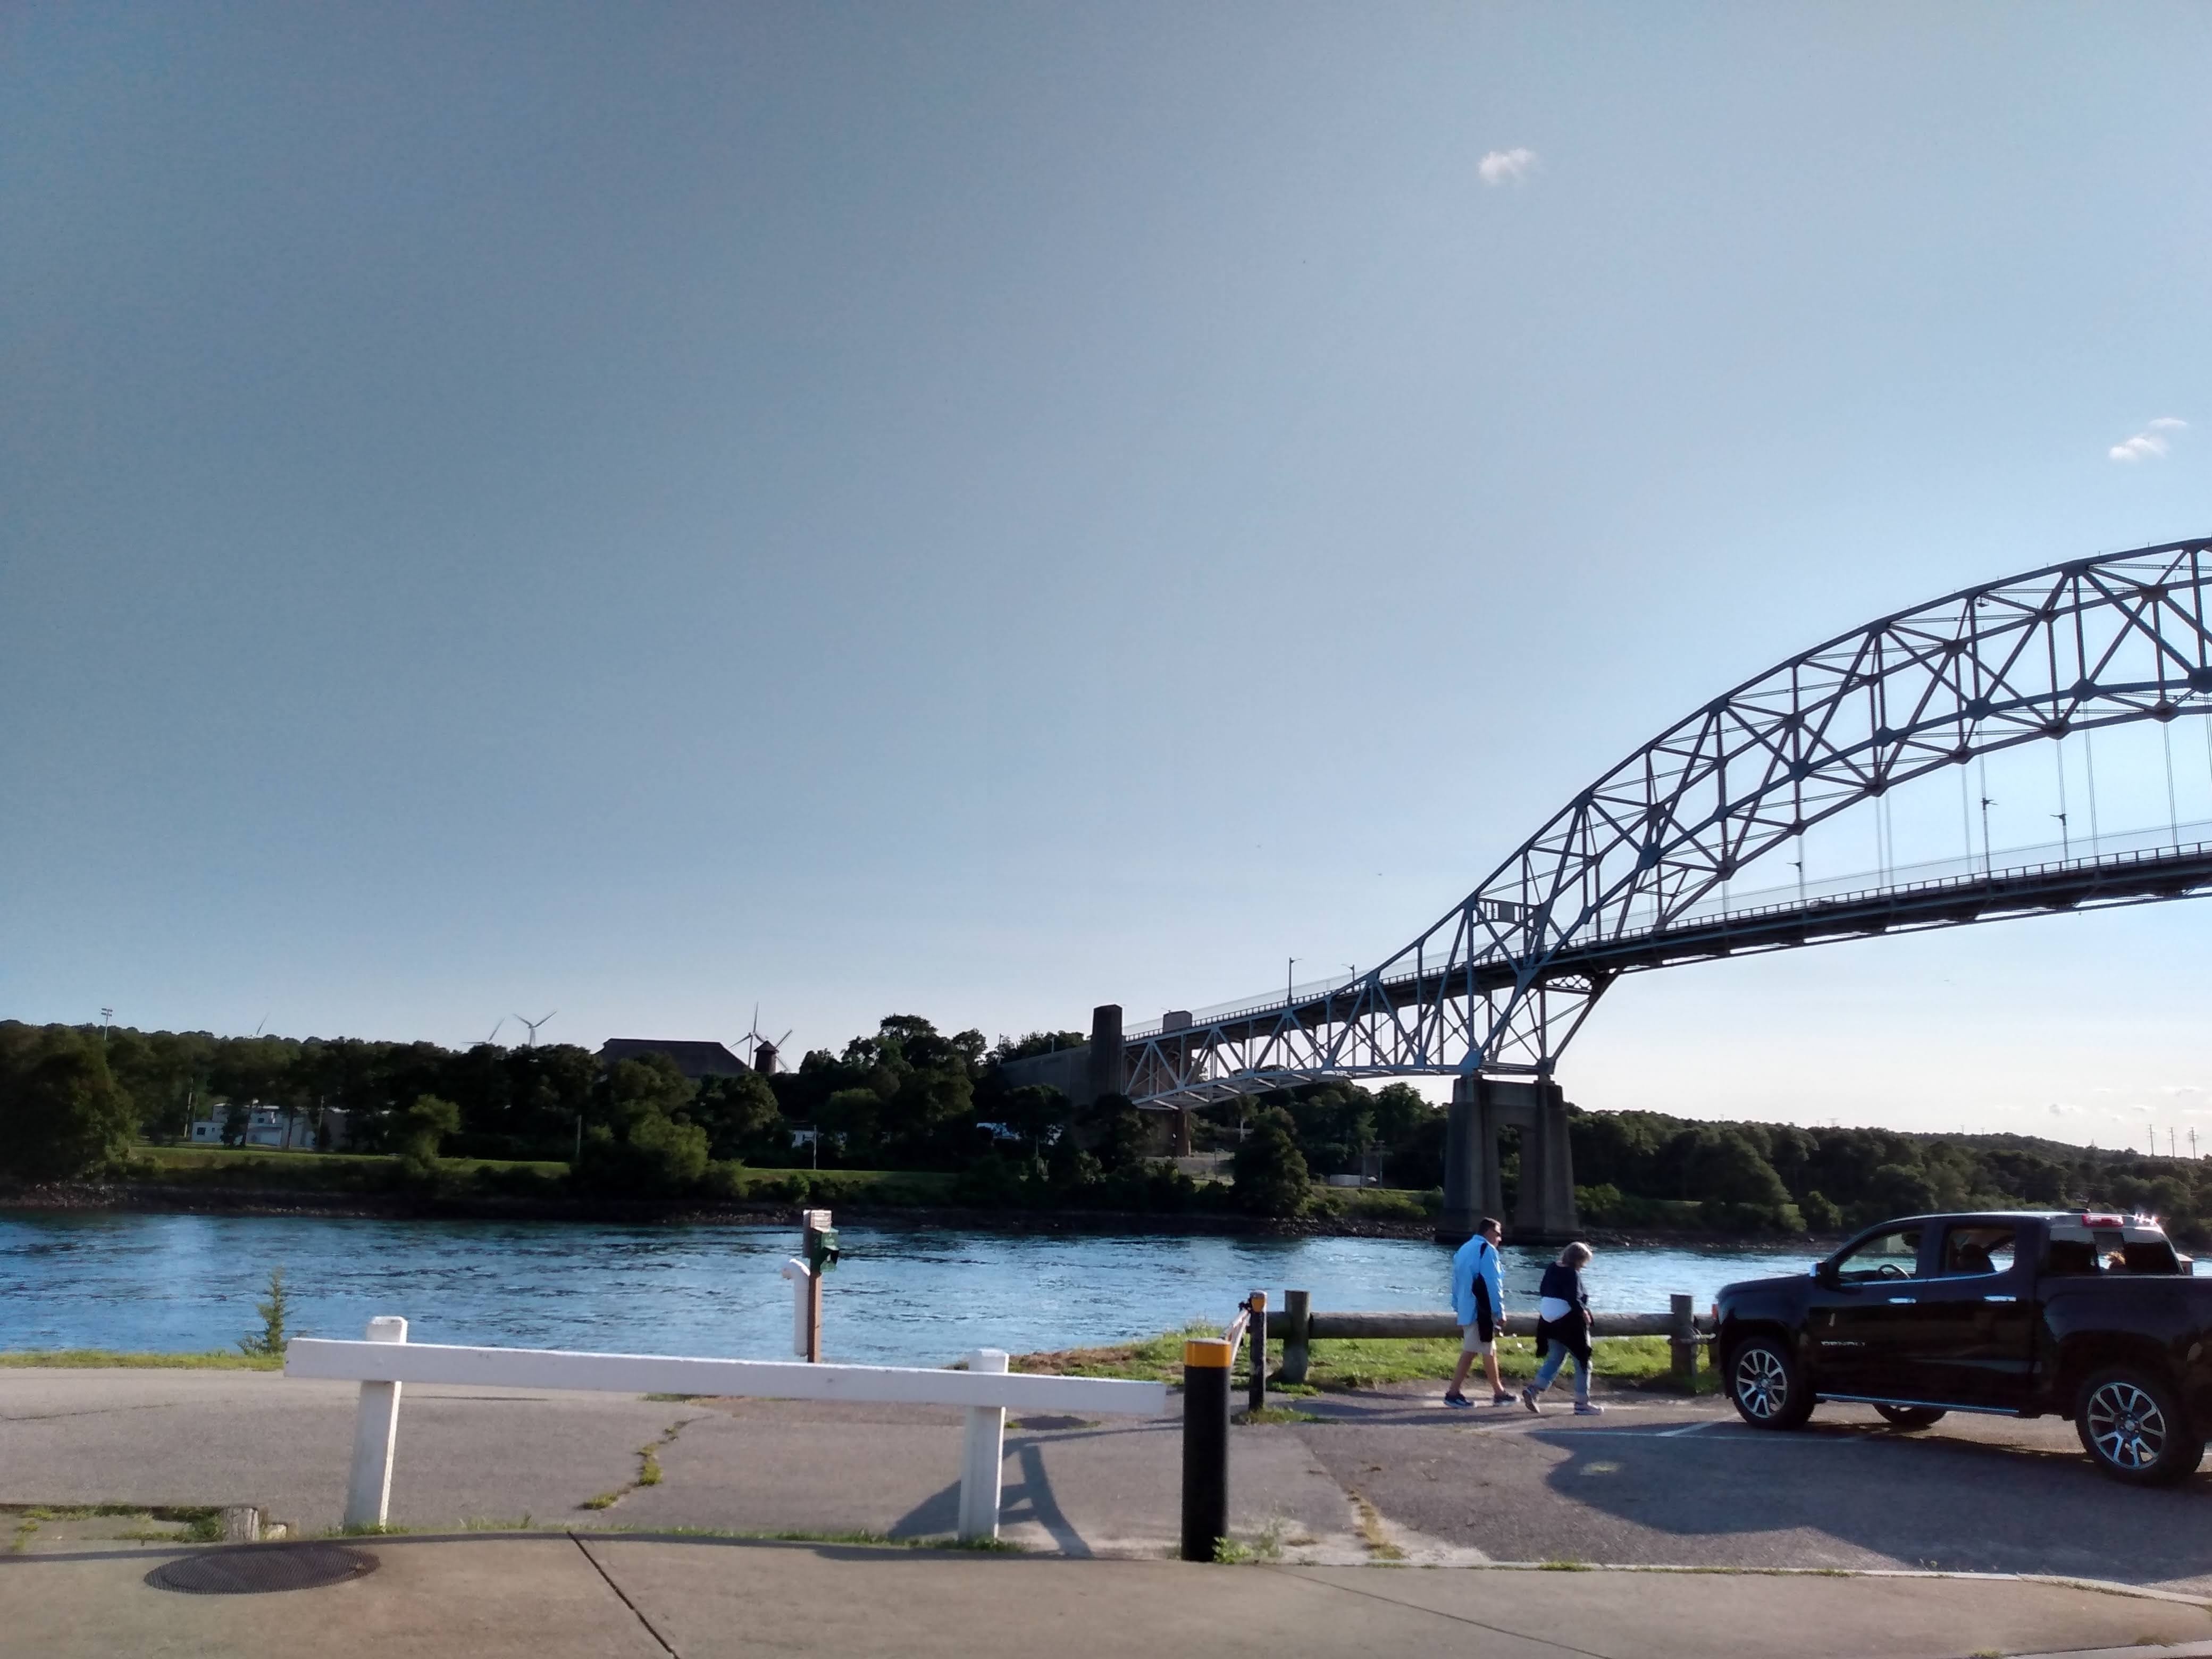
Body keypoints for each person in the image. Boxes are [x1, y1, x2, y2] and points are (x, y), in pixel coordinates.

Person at [1520, 1241, 1603, 1416]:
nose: (1584, 1265)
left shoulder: (1552, 1268)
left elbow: (1543, 1290)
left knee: (1555, 1357)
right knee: (1583, 1361)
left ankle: (1534, 1390)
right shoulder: (1571, 1273)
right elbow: (1573, 1298)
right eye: (1584, 1262)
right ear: (1579, 1260)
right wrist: (1584, 1313)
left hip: (1548, 1322)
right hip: (1569, 1322)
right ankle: (1582, 1403)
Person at [1444, 1217, 1514, 1407]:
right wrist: (1500, 1311)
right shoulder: (1488, 1251)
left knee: (1488, 1349)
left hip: (1468, 1308)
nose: (1500, 1239)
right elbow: (1493, 1283)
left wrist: (1457, 1305)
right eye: (1499, 1234)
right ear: (1490, 1232)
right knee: (1471, 1351)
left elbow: (1456, 1281)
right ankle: (1453, 1393)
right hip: (1481, 1310)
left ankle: (1499, 1392)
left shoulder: (1464, 1249)